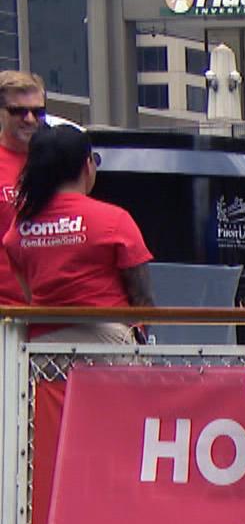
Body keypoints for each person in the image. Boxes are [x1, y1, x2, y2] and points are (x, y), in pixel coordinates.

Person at [2, 126, 155, 343]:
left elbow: (28, 296)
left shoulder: (18, 230)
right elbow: (143, 298)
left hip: (41, 350)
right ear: (87, 165)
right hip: (108, 346)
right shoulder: (115, 220)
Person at [0, 70, 48, 307]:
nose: (29, 118)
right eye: (18, 111)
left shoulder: (57, 163)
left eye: (38, 112)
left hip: (52, 310)